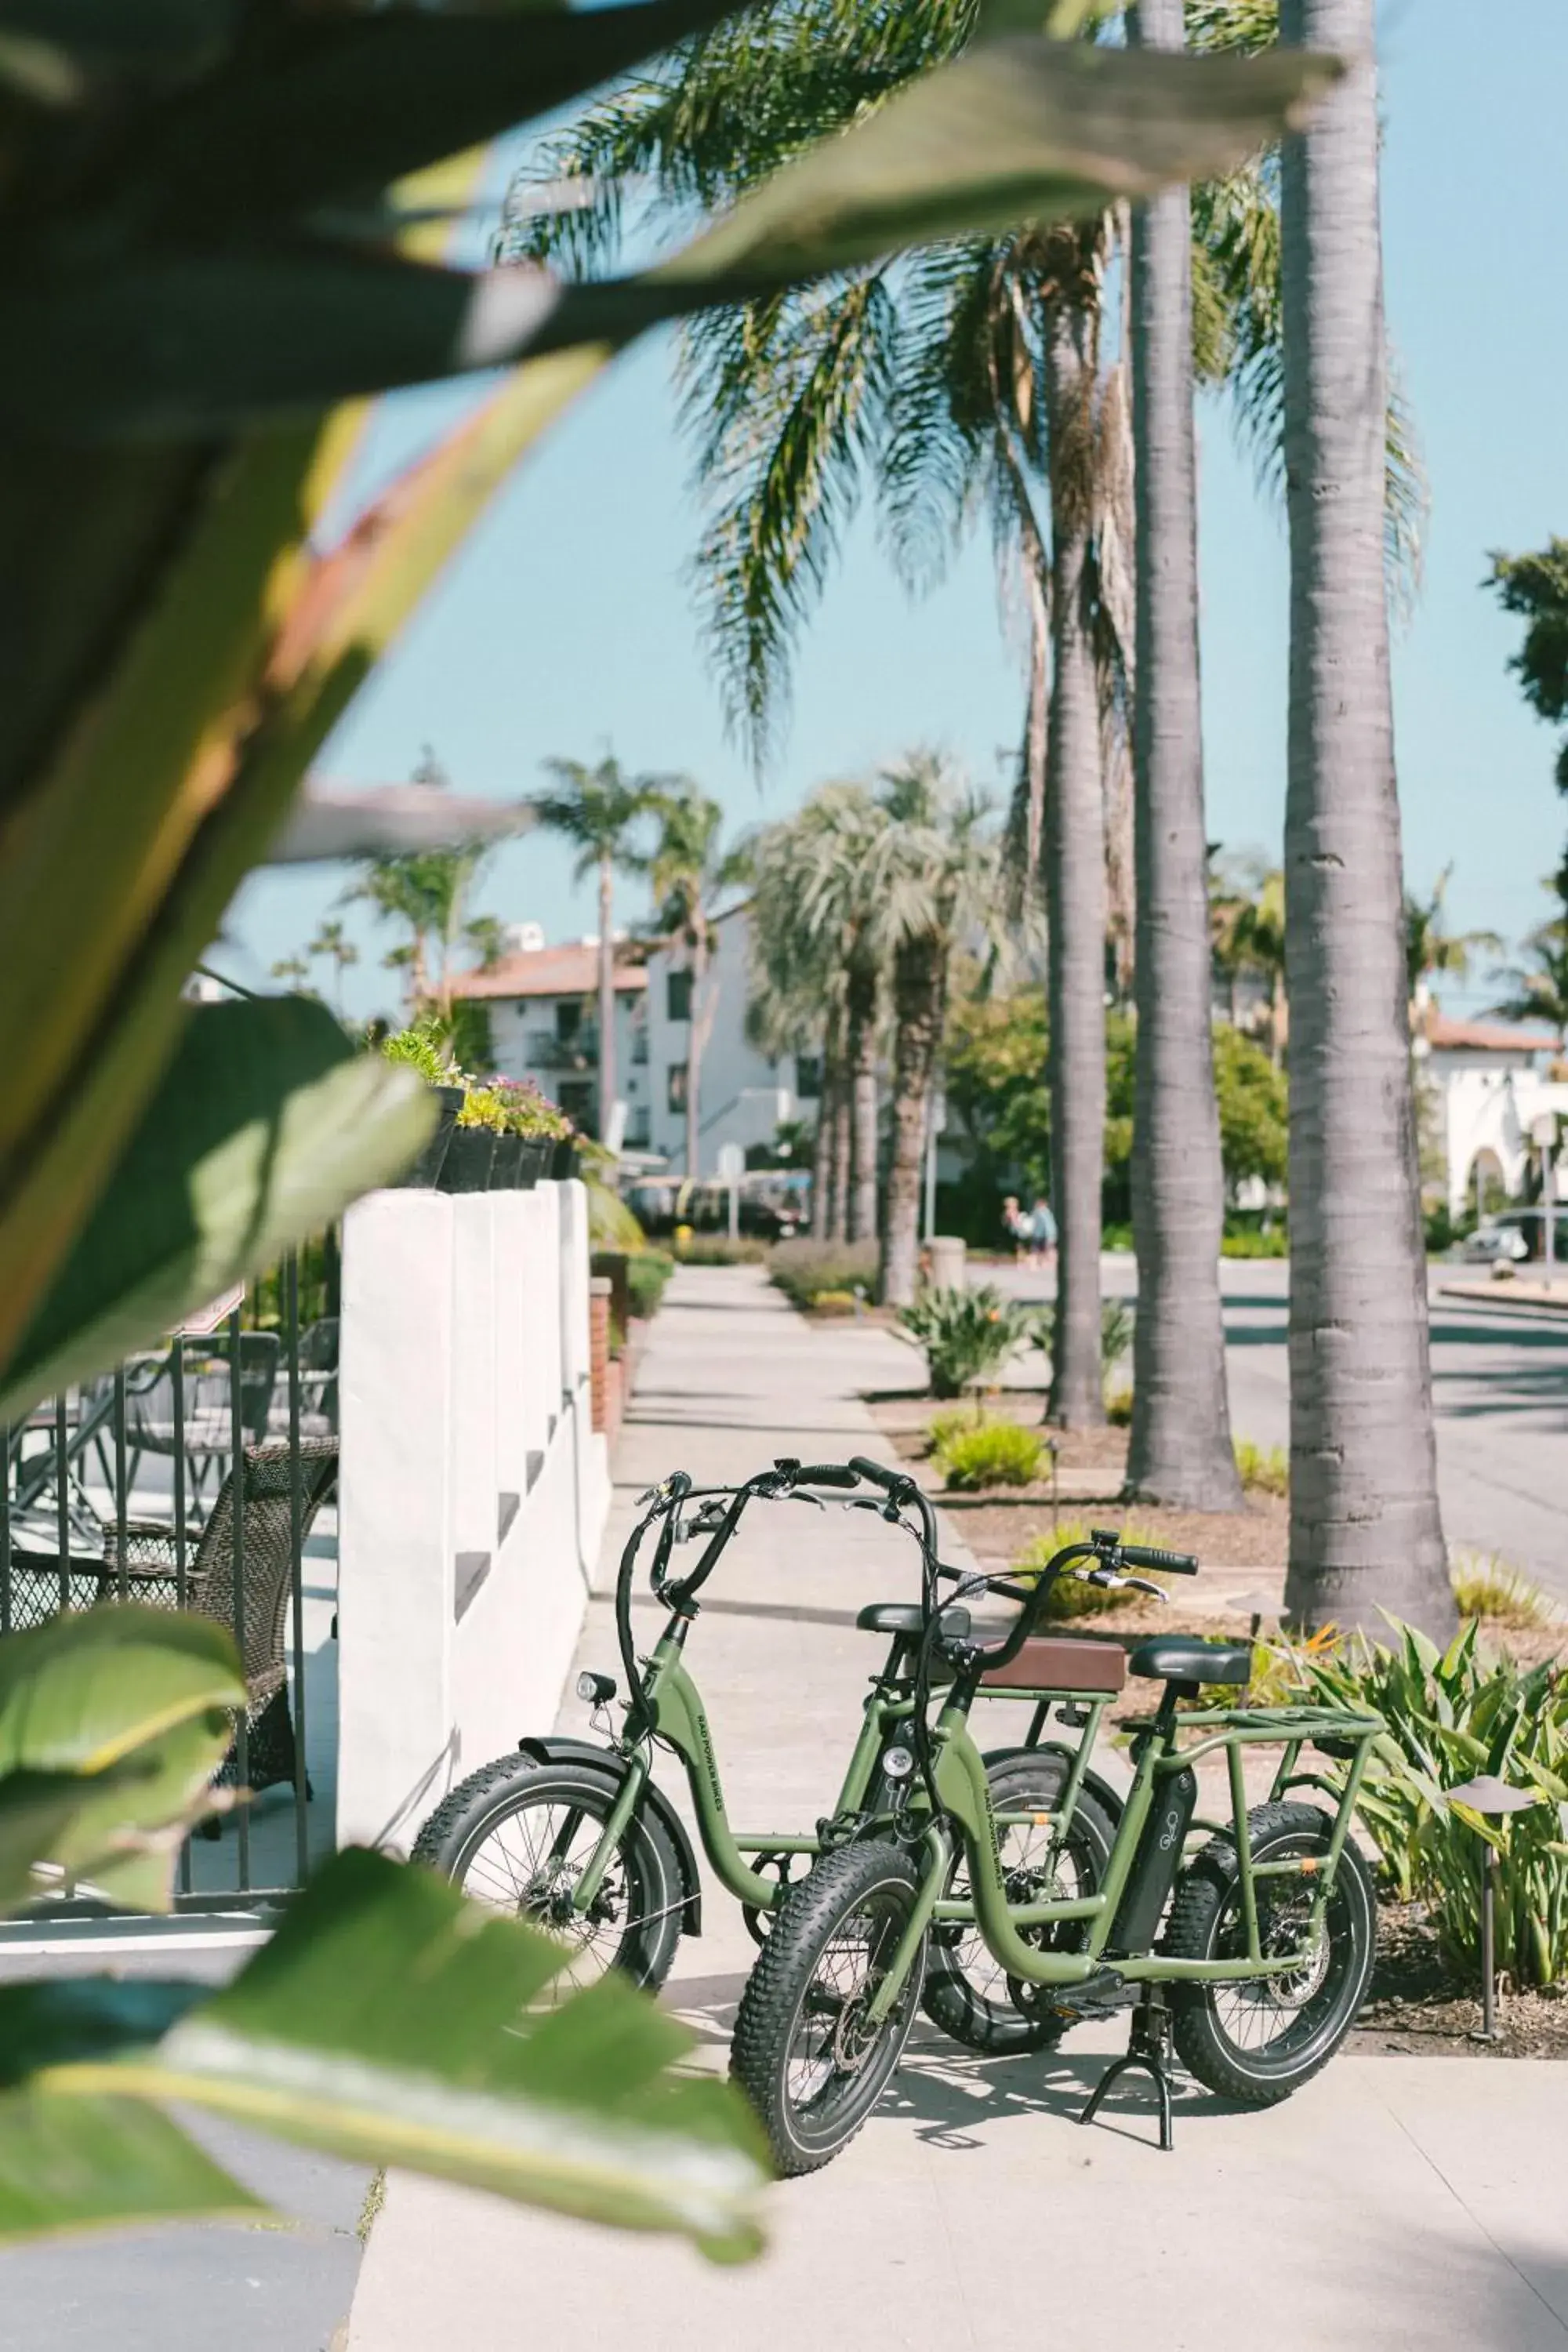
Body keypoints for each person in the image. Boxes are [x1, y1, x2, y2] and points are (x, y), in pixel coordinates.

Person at [1026, 1195, 1057, 1271]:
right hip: (1044, 1235)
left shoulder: (1037, 1213)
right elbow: (1049, 1225)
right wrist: (1052, 1235)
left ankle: (1036, 1265)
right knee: (1043, 1250)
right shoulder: (1046, 1213)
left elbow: (1034, 1224)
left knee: (1037, 1250)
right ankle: (1041, 1264)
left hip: (1039, 1234)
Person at [1001, 1195, 1025, 1261]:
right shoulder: (1010, 1212)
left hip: (1014, 1230)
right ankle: (1020, 1259)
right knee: (1019, 1245)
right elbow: (1013, 1221)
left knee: (1020, 1245)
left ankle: (1020, 1259)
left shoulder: (1010, 1211)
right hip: (1013, 1230)